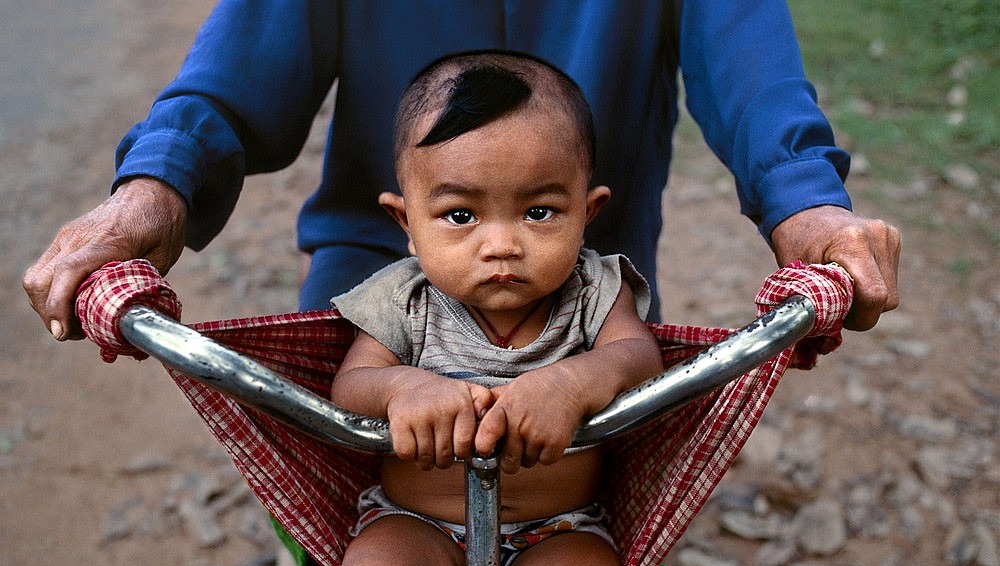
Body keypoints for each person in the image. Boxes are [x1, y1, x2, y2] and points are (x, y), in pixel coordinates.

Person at [23, 1, 899, 341]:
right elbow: (226, 83)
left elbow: (755, 79)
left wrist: (809, 213)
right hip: (366, 291)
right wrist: (150, 195)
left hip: (591, 295)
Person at [322, 50, 663, 566]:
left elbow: (640, 359)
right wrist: (402, 388)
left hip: (560, 528)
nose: (501, 244)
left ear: (588, 212)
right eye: (460, 215)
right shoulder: (403, 296)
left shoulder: (595, 290)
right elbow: (350, 388)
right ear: (406, 221)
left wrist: (573, 381)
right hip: (417, 521)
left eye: (539, 212)